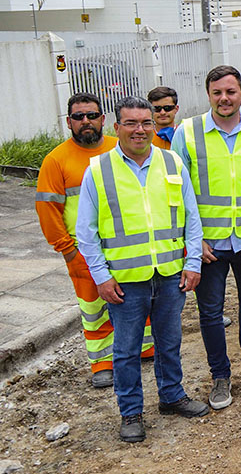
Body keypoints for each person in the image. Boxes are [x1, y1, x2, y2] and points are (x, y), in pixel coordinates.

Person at [76, 96, 208, 442]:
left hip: (169, 274)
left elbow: (192, 218)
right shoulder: (99, 170)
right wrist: (101, 277)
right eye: (131, 123)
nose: (140, 130)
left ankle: (172, 396)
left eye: (146, 122)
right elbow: (85, 233)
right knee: (126, 351)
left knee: (170, 342)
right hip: (125, 281)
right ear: (116, 127)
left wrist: (192, 262)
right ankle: (131, 412)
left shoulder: (172, 162)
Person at [172, 65, 241, 410]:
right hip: (208, 245)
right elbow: (176, 195)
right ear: (209, 95)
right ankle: (220, 375)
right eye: (217, 93)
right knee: (211, 313)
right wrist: (192, 241)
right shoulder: (187, 133)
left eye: (231, 92)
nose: (224, 98)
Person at [35, 93, 153, 388]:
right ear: (69, 122)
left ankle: (145, 348)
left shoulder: (119, 148)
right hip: (83, 251)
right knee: (94, 308)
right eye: (79, 117)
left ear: (103, 119)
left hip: (126, 246)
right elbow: (48, 211)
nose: (85, 121)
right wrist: (69, 251)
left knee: (138, 299)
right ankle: (102, 362)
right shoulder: (56, 161)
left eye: (91, 115)